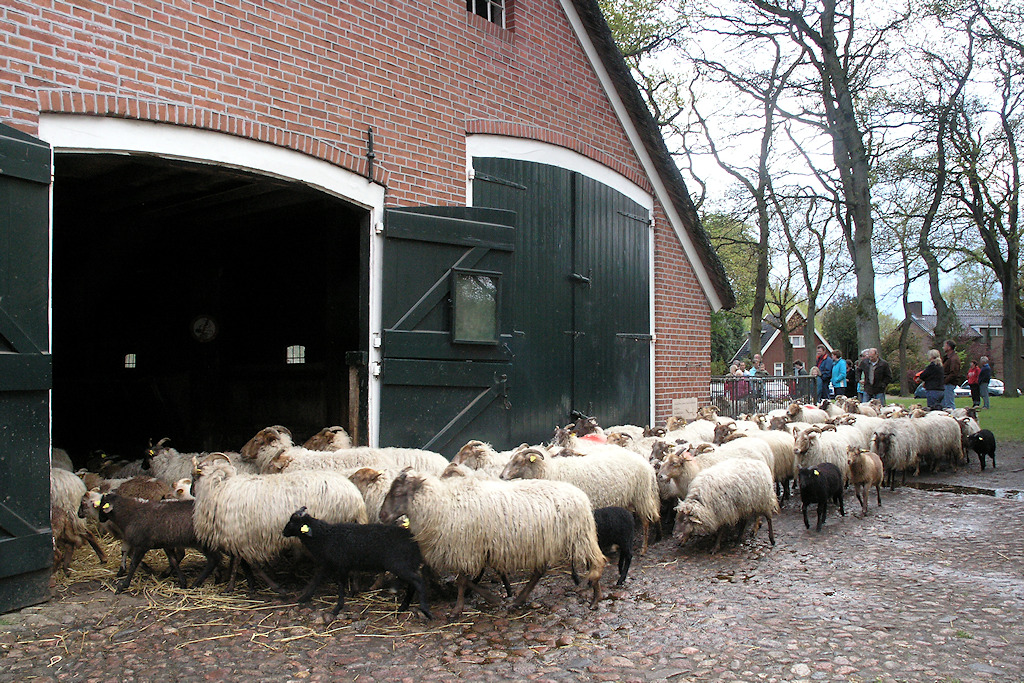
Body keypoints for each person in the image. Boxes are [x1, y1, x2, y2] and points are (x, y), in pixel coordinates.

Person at [941, 340, 962, 411]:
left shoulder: (954, 359)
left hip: (949, 383)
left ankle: (953, 418)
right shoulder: (948, 358)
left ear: (949, 347)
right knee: (945, 404)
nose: (943, 347)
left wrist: (944, 381)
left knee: (949, 405)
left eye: (945, 345)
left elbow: (953, 373)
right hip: (947, 383)